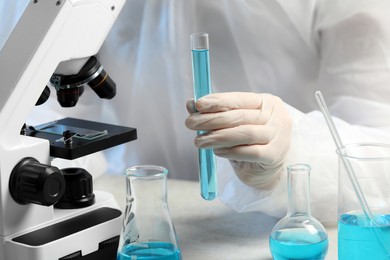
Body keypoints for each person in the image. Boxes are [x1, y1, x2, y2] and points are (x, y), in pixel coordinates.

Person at [2, 0, 390, 224]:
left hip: (269, 228)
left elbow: (380, 152)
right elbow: (43, 106)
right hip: (132, 216)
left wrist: (294, 154)